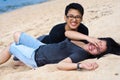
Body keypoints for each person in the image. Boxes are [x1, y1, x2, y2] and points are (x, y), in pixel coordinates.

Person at [0, 32, 120, 71]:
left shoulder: (81, 53)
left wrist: (80, 65)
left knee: (11, 46)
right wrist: (88, 38)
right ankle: (20, 58)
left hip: (36, 57)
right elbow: (67, 33)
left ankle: (23, 58)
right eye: (98, 43)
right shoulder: (83, 42)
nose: (94, 47)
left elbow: (61, 65)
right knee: (17, 35)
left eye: (98, 50)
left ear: (98, 55)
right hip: (41, 47)